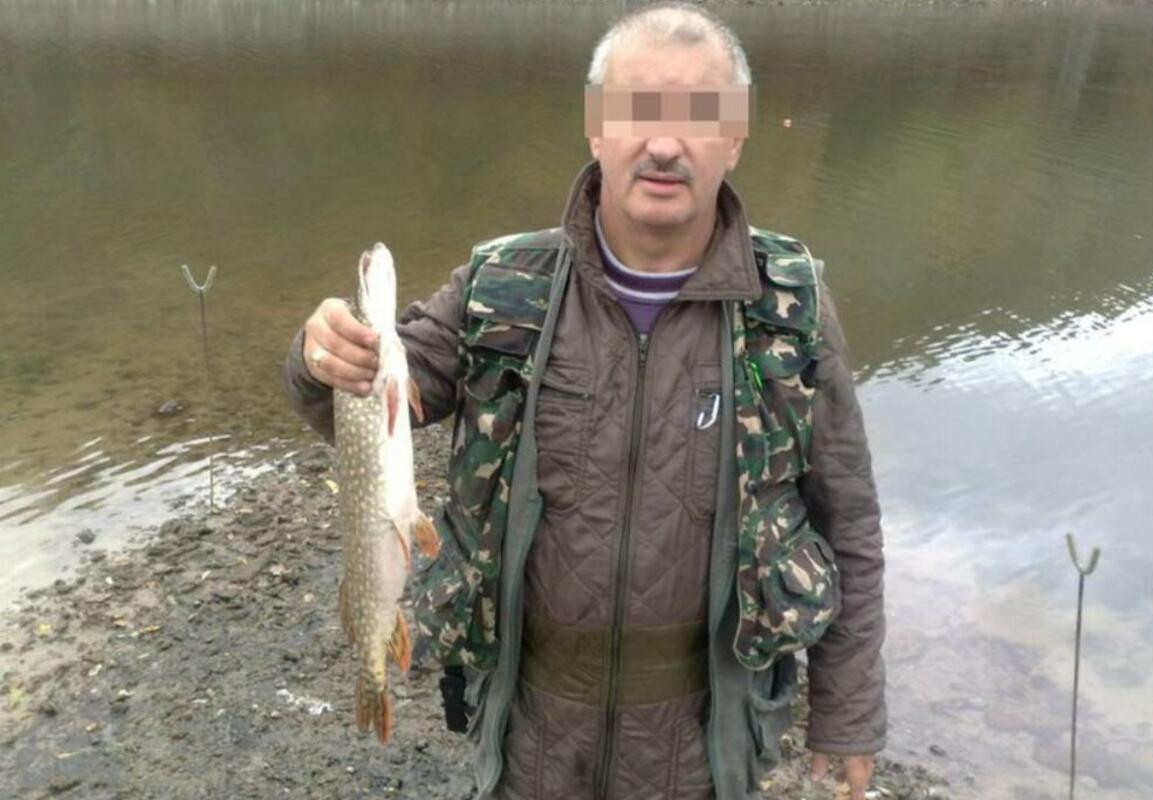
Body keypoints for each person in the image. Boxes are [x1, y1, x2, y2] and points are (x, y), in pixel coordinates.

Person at [283, 3, 885, 799]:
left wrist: (849, 713)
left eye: (698, 116)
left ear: (735, 138)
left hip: (703, 743)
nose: (664, 144)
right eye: (638, 112)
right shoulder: (503, 286)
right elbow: (365, 401)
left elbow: (849, 518)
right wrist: (321, 359)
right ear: (597, 127)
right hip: (532, 733)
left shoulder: (791, 305)